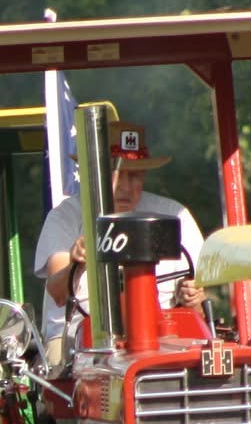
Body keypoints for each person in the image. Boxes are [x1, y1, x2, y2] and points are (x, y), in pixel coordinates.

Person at [31, 123, 205, 345]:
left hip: (164, 335)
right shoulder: (67, 216)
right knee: (57, 359)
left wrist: (192, 298)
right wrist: (77, 263)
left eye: (134, 176)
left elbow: (200, 307)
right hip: (77, 337)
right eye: (118, 175)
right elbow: (57, 292)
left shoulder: (175, 215)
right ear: (97, 174)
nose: (125, 186)